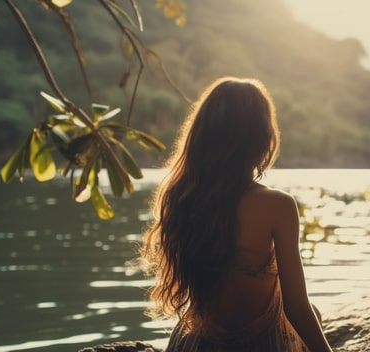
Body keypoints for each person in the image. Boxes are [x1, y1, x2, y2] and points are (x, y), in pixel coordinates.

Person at [138, 77, 332, 351]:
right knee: (312, 311)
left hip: (198, 344)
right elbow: (296, 307)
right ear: (262, 138)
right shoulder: (277, 205)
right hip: (262, 345)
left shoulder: (180, 196)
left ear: (201, 136)